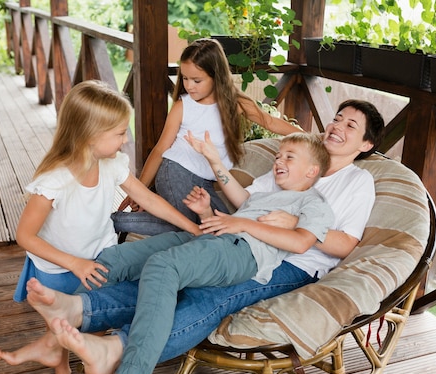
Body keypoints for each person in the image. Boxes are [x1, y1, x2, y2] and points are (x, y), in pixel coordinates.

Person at [0, 99, 385, 374]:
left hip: (286, 262)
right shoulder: (290, 164)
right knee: (151, 268)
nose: (338, 125)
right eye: (337, 117)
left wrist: (284, 223)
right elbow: (248, 204)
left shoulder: (355, 183)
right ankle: (81, 311)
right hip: (234, 237)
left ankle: (118, 352)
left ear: (365, 144)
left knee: (200, 295)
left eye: (351, 126)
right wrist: (212, 198)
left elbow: (341, 243)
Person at [0, 80, 201, 374]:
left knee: (89, 313)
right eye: (119, 133)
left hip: (100, 256)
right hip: (58, 265)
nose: (125, 139)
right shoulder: (55, 180)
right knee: (59, 324)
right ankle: (61, 373)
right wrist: (73, 263)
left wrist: (192, 226)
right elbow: (26, 236)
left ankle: (93, 359)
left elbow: (145, 197)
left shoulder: (112, 164)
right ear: (90, 135)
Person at [112, 38, 301, 236]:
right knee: (188, 227)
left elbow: (269, 122)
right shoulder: (182, 107)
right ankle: (116, 221)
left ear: (216, 76)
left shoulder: (235, 103)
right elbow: (161, 149)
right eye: (184, 78)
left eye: (196, 80)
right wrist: (140, 191)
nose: (189, 86)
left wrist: (305, 135)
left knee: (223, 227)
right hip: (175, 171)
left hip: (204, 181)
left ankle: (126, 223)